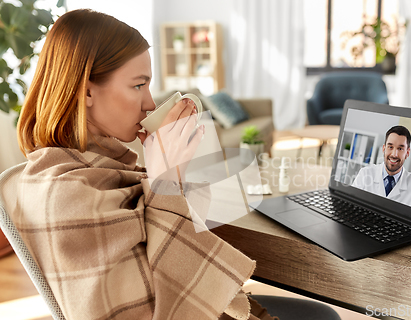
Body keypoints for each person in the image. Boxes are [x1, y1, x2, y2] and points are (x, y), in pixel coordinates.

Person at [13, 9, 266, 320]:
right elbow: (152, 308)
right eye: (138, 85)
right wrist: (166, 181)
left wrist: (174, 172)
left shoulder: (107, 170)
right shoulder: (65, 191)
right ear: (87, 90)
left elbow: (179, 243)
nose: (149, 103)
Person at [351, 125, 411, 212]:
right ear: (384, 148)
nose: (394, 154)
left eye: (400, 148)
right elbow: (351, 207)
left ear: (407, 153)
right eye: (390, 147)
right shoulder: (365, 174)